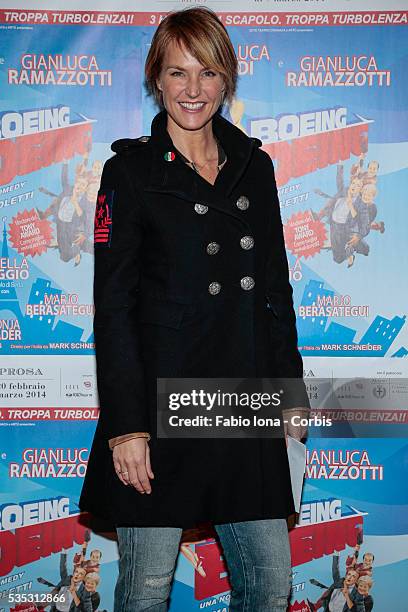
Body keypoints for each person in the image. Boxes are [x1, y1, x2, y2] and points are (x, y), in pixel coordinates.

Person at [79, 7, 309, 611]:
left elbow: (274, 290)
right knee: (148, 587)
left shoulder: (255, 167)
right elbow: (115, 307)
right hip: (159, 402)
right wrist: (127, 427)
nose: (193, 90)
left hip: (243, 396)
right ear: (157, 78)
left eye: (206, 74)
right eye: (178, 73)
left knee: (269, 582)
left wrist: (289, 392)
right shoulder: (127, 171)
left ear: (226, 79)